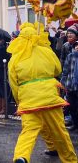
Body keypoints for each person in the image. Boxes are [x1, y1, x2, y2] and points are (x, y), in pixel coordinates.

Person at [9, 24, 77, 163]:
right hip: (49, 97)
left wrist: (19, 100)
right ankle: (70, 159)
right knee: (60, 131)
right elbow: (57, 69)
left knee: (28, 131)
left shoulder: (15, 57)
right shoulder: (46, 51)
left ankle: (21, 156)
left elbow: (13, 83)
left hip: (29, 100)